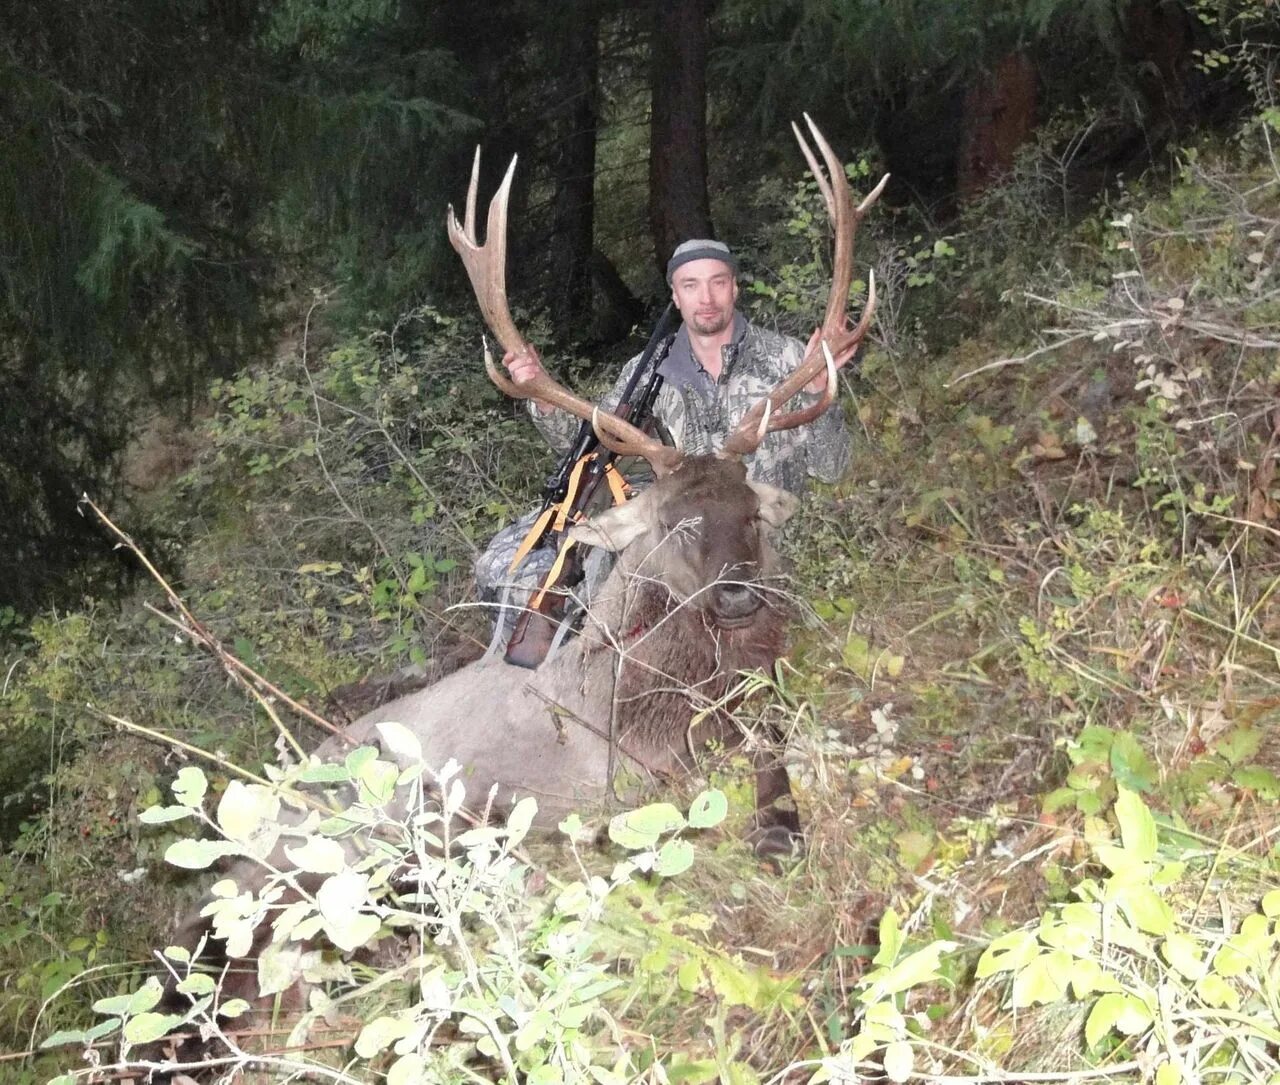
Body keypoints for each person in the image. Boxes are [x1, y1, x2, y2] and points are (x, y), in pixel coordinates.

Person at [474, 238, 859, 645]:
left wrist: (819, 394)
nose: (706, 298)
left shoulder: (790, 360)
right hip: (685, 541)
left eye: (718, 282)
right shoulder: (643, 376)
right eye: (690, 285)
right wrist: (542, 397)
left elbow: (834, 468)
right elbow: (589, 443)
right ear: (675, 296)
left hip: (759, 539)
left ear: (735, 288)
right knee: (507, 568)